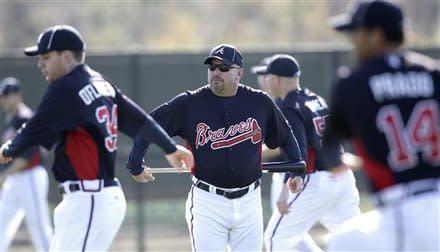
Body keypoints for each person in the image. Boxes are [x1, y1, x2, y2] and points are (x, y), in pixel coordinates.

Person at [0, 25, 194, 251]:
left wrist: (8, 150)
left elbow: (32, 129)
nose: (40, 64)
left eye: (45, 56)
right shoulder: (102, 84)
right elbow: (142, 122)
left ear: (66, 57)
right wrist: (170, 148)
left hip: (89, 198)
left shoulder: (65, 87)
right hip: (92, 198)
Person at [126, 44, 305, 252]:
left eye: (223, 68)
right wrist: (135, 164)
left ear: (239, 73)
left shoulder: (259, 103)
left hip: (250, 202)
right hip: (207, 203)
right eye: (212, 67)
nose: (216, 73)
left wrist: (297, 171)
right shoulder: (190, 103)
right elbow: (149, 124)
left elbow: (286, 137)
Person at [323, 1, 440, 251]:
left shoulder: (354, 83)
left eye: (357, 32)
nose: (353, 39)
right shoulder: (434, 74)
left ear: (376, 35)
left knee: (339, 243)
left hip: (401, 210)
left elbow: (330, 152)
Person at [258, 54, 361, 252]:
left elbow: (298, 149)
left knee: (274, 239)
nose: (266, 81)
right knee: (355, 241)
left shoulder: (288, 106)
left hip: (316, 182)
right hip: (342, 178)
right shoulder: (315, 98)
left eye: (268, 76)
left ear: (277, 79)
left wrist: (285, 190)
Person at [0, 77, 53, 252]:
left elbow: (29, 155)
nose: (5, 99)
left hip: (30, 177)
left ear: (18, 95)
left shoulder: (25, 117)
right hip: (14, 180)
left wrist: (4, 176)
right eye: (3, 95)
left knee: (39, 227)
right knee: (2, 225)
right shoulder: (11, 119)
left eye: (8, 94)